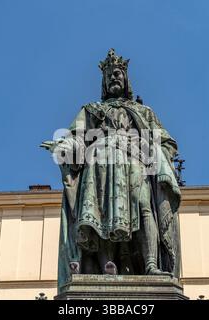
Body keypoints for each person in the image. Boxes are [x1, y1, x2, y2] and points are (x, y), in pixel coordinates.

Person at [41, 49, 181, 293]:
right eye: (109, 75)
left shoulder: (144, 112)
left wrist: (159, 155)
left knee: (144, 205)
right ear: (104, 81)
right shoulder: (91, 109)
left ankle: (150, 265)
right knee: (102, 211)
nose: (114, 78)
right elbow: (77, 138)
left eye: (118, 73)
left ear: (125, 79)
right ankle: (107, 265)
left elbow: (167, 143)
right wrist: (64, 146)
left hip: (134, 159)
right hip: (100, 162)